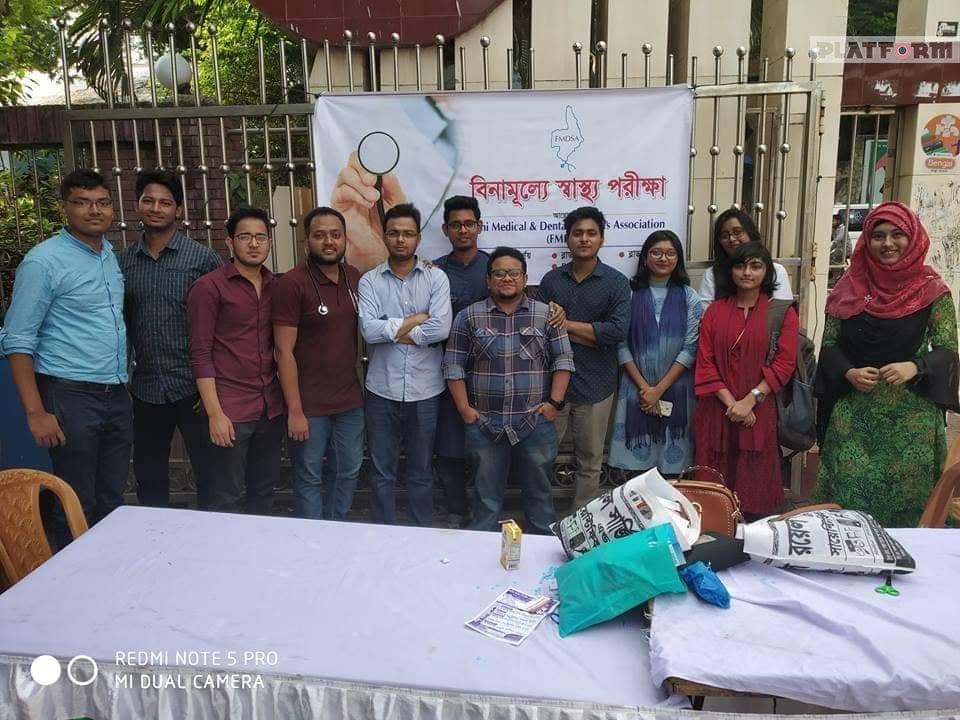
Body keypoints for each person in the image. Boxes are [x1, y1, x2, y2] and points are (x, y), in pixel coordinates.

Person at [0, 169, 131, 546]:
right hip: (70, 394)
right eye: (83, 203)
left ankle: (109, 568)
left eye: (102, 203)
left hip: (115, 391)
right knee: (74, 501)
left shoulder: (108, 255)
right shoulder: (43, 262)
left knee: (112, 497)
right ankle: (71, 574)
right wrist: (35, 412)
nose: (95, 210)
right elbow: (17, 339)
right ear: (64, 208)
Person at [814, 202, 959, 527]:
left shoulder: (932, 292)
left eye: (897, 235)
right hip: (855, 418)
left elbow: (948, 350)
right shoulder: (847, 289)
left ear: (913, 238)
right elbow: (829, 346)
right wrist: (849, 372)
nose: (887, 243)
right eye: (878, 236)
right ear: (867, 240)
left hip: (911, 422)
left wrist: (915, 366)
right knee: (849, 506)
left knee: (910, 508)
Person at [444, 246, 575, 534]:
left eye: (514, 273)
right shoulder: (469, 316)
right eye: (499, 273)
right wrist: (465, 410)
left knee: (540, 498)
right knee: (485, 500)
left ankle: (543, 551)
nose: (507, 278)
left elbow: (563, 361)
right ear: (488, 280)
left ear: (525, 278)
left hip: (535, 421)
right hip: (484, 423)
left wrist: (554, 404)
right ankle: (482, 552)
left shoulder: (546, 315)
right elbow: (453, 366)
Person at [118, 169, 222, 509]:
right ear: (138, 205)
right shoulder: (123, 263)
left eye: (165, 203)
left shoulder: (202, 259)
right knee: (149, 478)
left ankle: (209, 534)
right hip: (146, 387)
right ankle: (156, 536)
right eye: (148, 201)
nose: (156, 208)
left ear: (178, 209)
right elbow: (120, 323)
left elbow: (223, 322)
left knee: (210, 474)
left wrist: (214, 384)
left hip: (195, 388)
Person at [358, 203, 452, 526]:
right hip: (381, 389)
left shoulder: (436, 278)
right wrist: (415, 320)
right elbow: (368, 331)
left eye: (408, 233)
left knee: (421, 471)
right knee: (381, 471)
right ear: (384, 235)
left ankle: (420, 534)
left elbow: (440, 329)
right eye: (394, 233)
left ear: (418, 237)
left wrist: (391, 330)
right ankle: (383, 533)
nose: (401, 240)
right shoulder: (370, 281)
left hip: (425, 391)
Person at [187, 207, 284, 515]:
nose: (253, 244)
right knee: (224, 497)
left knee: (263, 493)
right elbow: (200, 352)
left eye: (260, 237)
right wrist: (215, 413)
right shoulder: (209, 287)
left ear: (269, 242)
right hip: (230, 410)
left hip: (270, 407)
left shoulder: (276, 286)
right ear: (230, 242)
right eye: (245, 237)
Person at [694, 242, 798, 517]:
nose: (747, 272)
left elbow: (784, 364)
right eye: (740, 266)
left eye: (756, 266)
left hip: (759, 410)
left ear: (767, 272)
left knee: (756, 489)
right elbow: (705, 362)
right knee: (715, 489)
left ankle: (755, 535)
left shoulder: (782, 313)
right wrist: (734, 405)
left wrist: (750, 401)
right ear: (731, 271)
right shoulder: (714, 311)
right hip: (717, 410)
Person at [272, 207, 363, 520]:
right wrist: (295, 410)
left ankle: (336, 530)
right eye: (320, 235)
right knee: (309, 476)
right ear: (307, 239)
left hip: (349, 402)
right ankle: (312, 539)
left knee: (348, 471)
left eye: (335, 235)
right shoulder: (292, 284)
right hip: (309, 406)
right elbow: (283, 351)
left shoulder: (354, 278)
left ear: (345, 239)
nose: (328, 242)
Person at [537, 206, 630, 509]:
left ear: (602, 239)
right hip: (554, 388)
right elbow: (540, 329)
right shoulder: (551, 281)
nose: (584, 239)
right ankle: (541, 519)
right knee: (541, 457)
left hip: (597, 385)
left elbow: (616, 332)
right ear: (567, 238)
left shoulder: (616, 282)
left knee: (590, 462)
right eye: (577, 233)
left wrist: (565, 325)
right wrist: (591, 333)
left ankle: (582, 520)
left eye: (591, 233)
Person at [608, 230, 703, 476]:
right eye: (656, 252)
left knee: (673, 471)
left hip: (677, 386)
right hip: (635, 388)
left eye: (670, 253)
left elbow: (691, 347)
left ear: (678, 259)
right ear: (645, 258)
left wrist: (658, 389)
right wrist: (646, 389)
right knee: (635, 472)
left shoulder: (689, 297)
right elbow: (620, 344)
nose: (663, 258)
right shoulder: (628, 294)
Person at [431, 195, 490, 528]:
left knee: (488, 452)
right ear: (445, 229)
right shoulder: (433, 271)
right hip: (444, 374)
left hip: (491, 374)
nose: (463, 230)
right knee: (450, 447)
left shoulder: (494, 268)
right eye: (456, 225)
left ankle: (486, 515)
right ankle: (456, 511)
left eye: (469, 224)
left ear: (479, 227)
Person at [698, 208, 793, 308]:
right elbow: (706, 313)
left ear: (750, 232)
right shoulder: (712, 274)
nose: (731, 239)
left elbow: (782, 311)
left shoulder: (776, 271)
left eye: (737, 232)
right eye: (724, 236)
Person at [828, 211, 853, 286]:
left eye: (833, 221)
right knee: (832, 257)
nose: (832, 223)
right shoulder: (835, 229)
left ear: (838, 221)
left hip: (845, 249)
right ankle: (841, 275)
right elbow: (833, 241)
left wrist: (829, 250)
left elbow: (836, 241)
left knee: (832, 258)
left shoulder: (842, 229)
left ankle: (836, 276)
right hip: (840, 249)